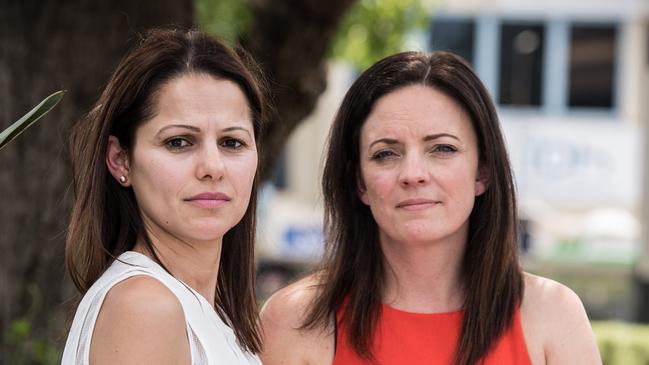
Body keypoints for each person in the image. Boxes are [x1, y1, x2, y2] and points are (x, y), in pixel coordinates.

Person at [260, 51, 601, 365]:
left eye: (442, 148)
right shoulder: (296, 320)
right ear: (359, 182)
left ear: (482, 171)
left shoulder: (552, 315)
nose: (413, 174)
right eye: (385, 153)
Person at [62, 28, 264, 365]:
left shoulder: (209, 315)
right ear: (120, 159)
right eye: (179, 142)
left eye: (232, 142)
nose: (213, 167)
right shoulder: (144, 307)